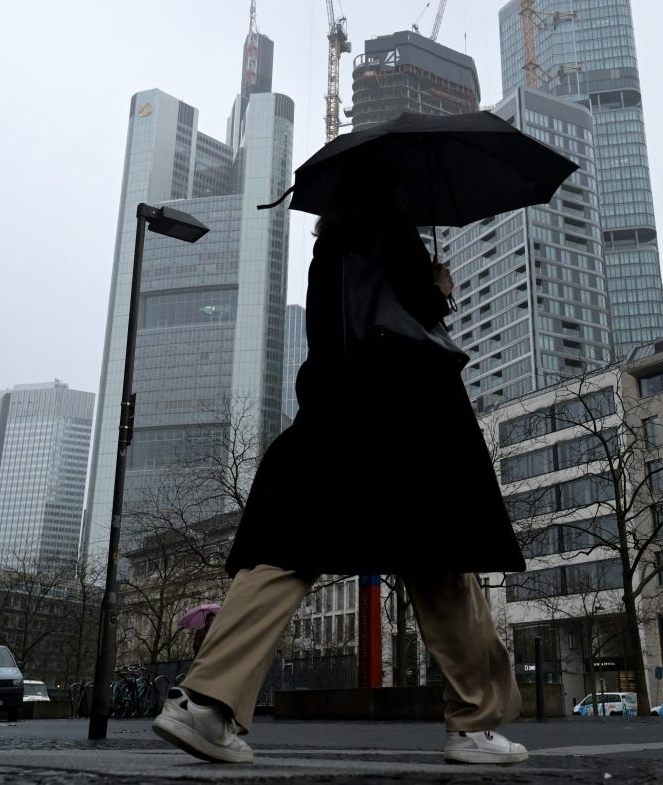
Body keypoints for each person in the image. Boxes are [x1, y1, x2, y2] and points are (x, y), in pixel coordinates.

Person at [152, 160, 528, 765]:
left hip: (335, 413)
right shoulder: (392, 228)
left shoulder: (329, 248)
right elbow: (412, 311)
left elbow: (340, 330)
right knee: (441, 564)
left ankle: (205, 701)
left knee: (285, 553)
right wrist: (438, 288)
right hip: (409, 416)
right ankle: (474, 723)